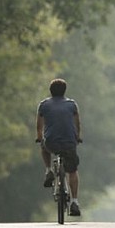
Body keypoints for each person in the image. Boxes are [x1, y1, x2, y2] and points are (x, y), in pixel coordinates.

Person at [36, 78, 83, 217]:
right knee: (72, 171)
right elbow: (77, 124)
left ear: (50, 91)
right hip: (69, 142)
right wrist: (78, 137)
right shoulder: (72, 105)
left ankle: (48, 169)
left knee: (43, 146)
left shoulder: (43, 105)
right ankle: (74, 202)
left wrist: (39, 137)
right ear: (64, 91)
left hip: (51, 142)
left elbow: (39, 127)